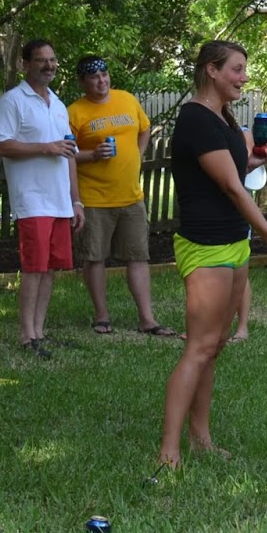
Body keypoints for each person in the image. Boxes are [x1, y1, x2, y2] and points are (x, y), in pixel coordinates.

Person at [157, 41, 267, 468]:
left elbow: (234, 173)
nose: (243, 77)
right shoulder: (196, 119)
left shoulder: (221, 117)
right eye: (236, 69)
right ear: (211, 71)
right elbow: (232, 189)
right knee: (199, 347)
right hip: (206, 245)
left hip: (232, 242)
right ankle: (168, 451)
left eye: (244, 69)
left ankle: (200, 438)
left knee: (214, 346)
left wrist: (256, 159)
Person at [67, 54, 178, 338]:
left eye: (104, 74)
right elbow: (64, 155)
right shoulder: (74, 112)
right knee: (95, 258)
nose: (101, 80)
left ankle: (147, 319)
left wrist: (139, 156)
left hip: (131, 195)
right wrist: (91, 155)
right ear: (82, 82)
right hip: (94, 198)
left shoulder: (127, 99)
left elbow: (144, 129)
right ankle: (101, 316)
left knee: (138, 256)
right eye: (94, 77)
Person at [0, 38, 82, 357]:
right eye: (41, 60)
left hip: (59, 201)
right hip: (32, 200)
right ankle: (26, 336)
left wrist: (76, 201)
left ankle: (40, 331)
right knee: (33, 268)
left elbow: (68, 153)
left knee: (51, 268)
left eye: (53, 60)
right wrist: (46, 147)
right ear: (24, 64)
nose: (49, 65)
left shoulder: (57, 103)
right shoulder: (12, 101)